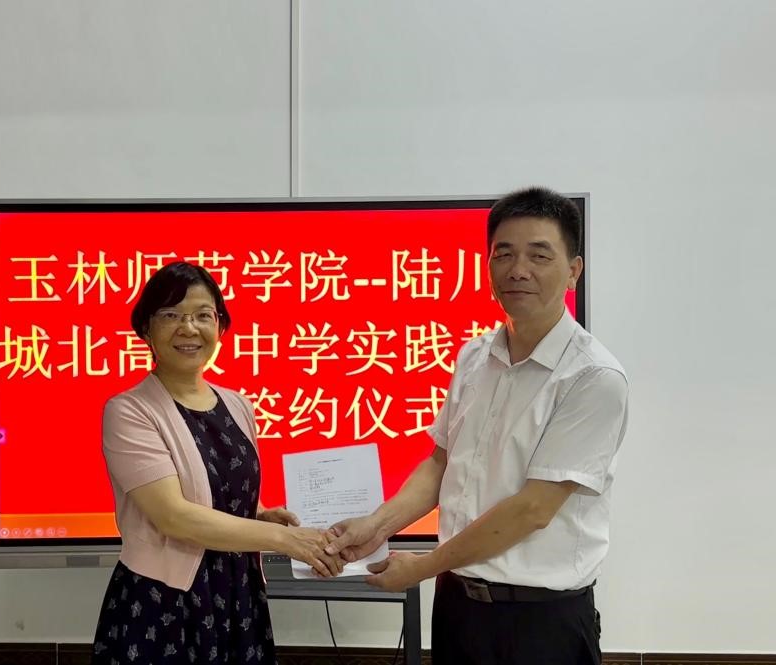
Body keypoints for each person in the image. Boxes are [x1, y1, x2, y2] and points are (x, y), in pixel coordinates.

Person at [325, 187, 629, 665]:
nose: (518, 270)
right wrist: (376, 525)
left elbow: (533, 509)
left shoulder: (593, 377)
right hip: (458, 608)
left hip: (540, 623)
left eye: (539, 255)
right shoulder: (474, 356)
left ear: (574, 271)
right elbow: (440, 464)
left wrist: (423, 566)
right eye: (503, 254)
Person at [91, 261, 342, 665]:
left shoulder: (237, 405)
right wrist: (285, 541)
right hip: (163, 603)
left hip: (238, 595)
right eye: (171, 315)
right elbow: (174, 516)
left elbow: (216, 490)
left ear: (220, 327)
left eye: (203, 315)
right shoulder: (129, 411)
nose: (188, 328)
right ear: (146, 329)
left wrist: (261, 515)